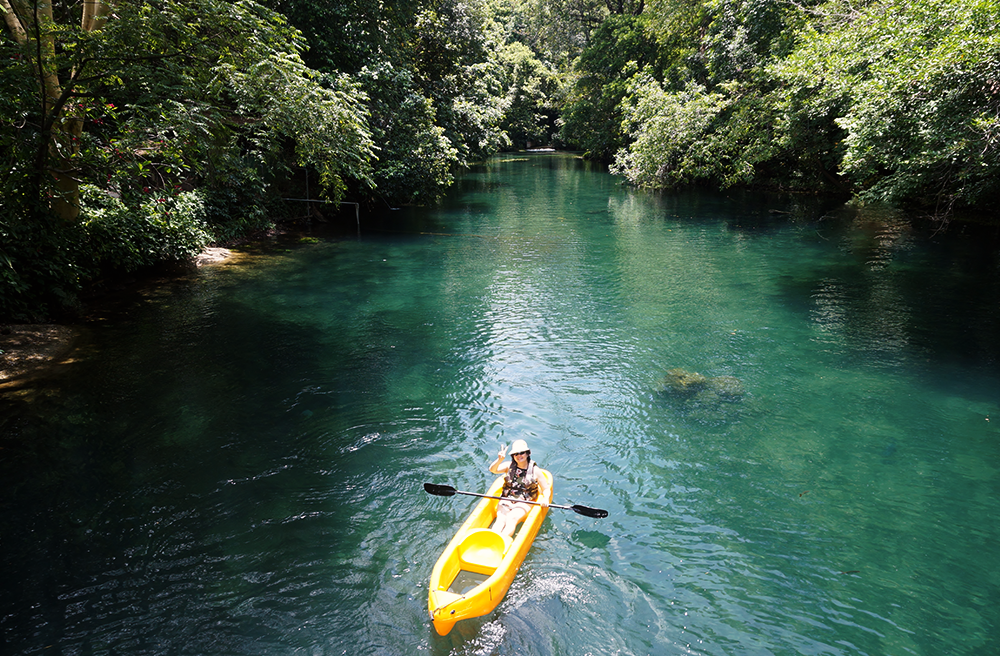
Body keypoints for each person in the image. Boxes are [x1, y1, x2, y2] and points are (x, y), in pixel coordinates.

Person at [488, 439, 550, 537]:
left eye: (522, 453)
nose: (519, 456)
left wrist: (546, 498)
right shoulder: (509, 466)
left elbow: (546, 489)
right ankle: (492, 541)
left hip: (525, 501)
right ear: (513, 456)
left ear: (527, 454)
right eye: (516, 454)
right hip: (508, 497)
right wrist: (499, 459)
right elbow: (493, 470)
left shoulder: (535, 470)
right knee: (501, 519)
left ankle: (503, 542)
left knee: (511, 518)